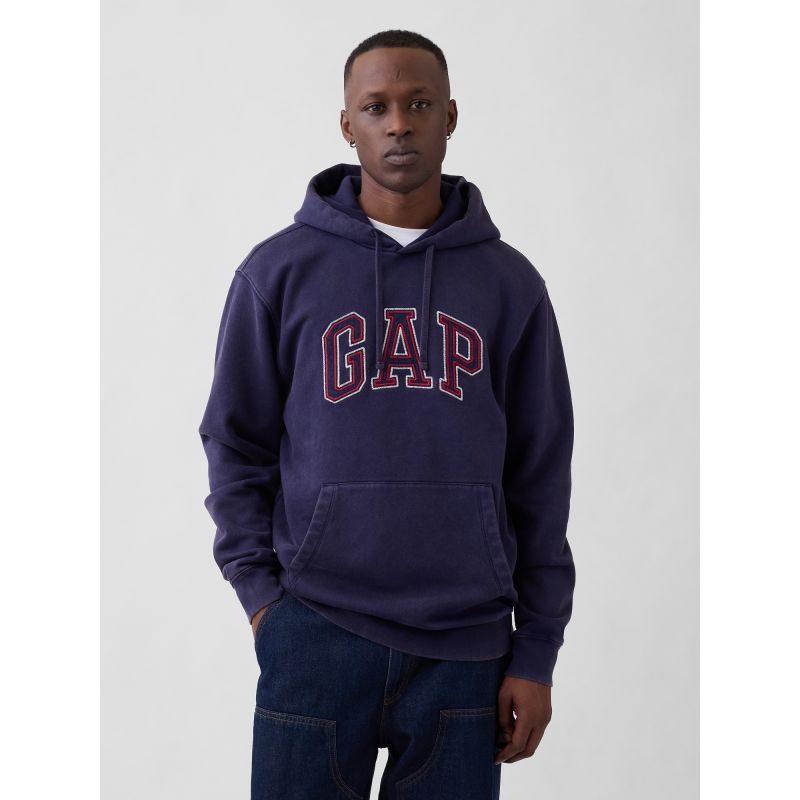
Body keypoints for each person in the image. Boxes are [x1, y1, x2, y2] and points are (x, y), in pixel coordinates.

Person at [198, 28, 576, 800]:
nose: (399, 123)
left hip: (465, 646)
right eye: (376, 107)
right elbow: (234, 441)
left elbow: (541, 474)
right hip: (316, 628)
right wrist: (263, 600)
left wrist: (536, 651)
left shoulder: (510, 286)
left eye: (419, 104)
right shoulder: (278, 273)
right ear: (348, 125)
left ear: (451, 116)